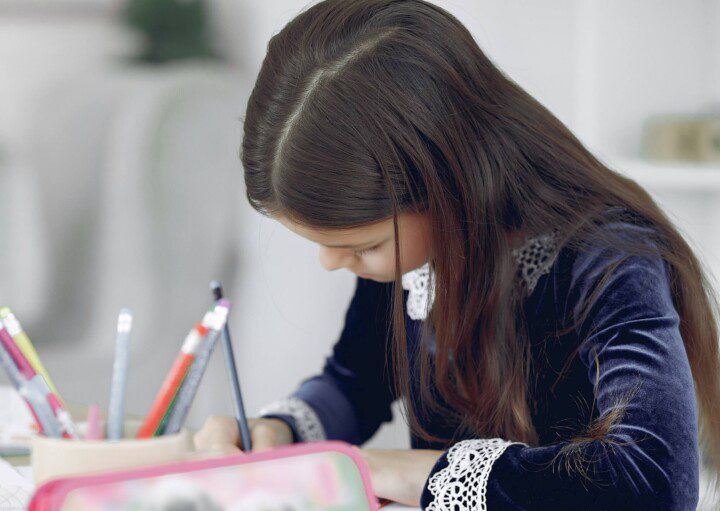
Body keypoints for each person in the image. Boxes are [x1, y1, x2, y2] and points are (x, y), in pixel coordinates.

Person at [194, 1, 720, 509]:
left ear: (450, 183)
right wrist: (277, 432)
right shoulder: (412, 259)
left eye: (361, 247)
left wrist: (397, 469)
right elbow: (357, 381)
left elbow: (653, 483)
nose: (331, 263)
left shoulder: (607, 259)